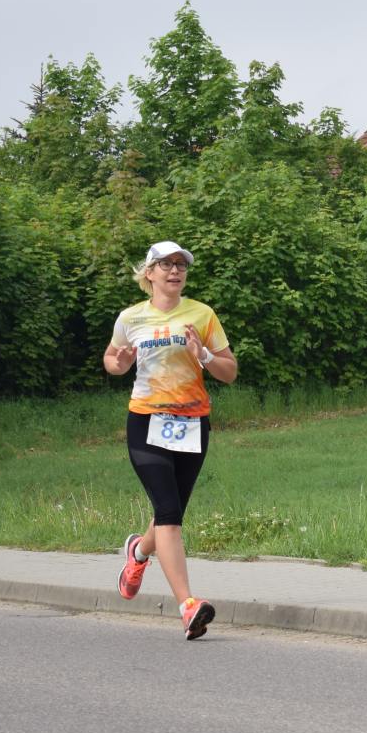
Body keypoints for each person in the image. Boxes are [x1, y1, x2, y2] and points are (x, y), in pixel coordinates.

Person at [103, 240, 239, 639]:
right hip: (146, 421)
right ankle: (187, 605)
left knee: (171, 511)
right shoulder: (130, 317)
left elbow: (230, 372)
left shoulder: (202, 314)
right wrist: (119, 363)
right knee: (168, 512)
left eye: (181, 265)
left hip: (192, 423)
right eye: (166, 265)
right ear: (149, 273)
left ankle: (138, 552)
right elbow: (112, 359)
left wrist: (205, 356)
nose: (175, 271)